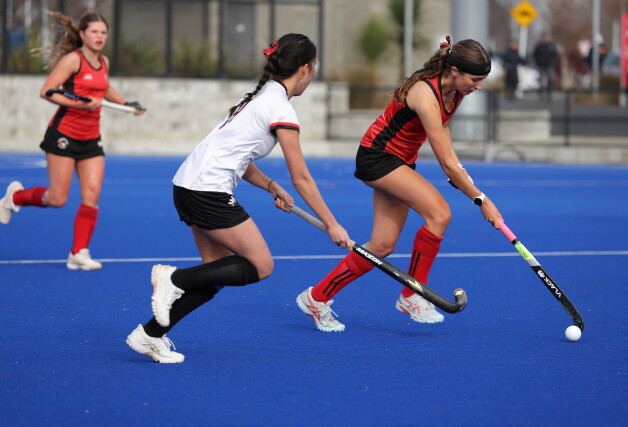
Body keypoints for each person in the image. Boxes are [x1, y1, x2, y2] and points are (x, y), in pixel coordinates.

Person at [125, 34, 351, 363]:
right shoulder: (280, 108)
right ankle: (173, 278)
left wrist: (270, 185)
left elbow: (238, 157)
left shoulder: (259, 96)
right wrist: (332, 224)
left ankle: (150, 334)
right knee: (261, 265)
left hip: (188, 186)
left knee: (217, 273)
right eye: (313, 67)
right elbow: (301, 177)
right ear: (305, 68)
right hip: (207, 191)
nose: (312, 74)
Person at [295, 36, 503, 332]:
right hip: (378, 157)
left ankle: (316, 297)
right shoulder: (425, 94)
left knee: (382, 245)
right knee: (439, 214)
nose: (478, 86)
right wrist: (481, 199)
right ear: (455, 71)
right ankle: (412, 294)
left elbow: (445, 138)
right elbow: (444, 161)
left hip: (400, 161)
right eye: (475, 79)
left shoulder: (456, 93)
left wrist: (460, 173)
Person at [0, 11, 145, 270]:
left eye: (103, 32)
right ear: (82, 34)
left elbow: (103, 88)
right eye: (94, 32)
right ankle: (16, 197)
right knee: (57, 199)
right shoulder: (73, 60)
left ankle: (79, 252)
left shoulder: (103, 61)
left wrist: (126, 104)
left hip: (91, 139)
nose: (99, 37)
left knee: (92, 194)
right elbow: (47, 92)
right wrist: (80, 105)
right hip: (63, 135)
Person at [533, 33, 557, 100]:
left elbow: (554, 55)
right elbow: (535, 55)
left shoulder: (551, 45)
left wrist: (552, 61)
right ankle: (541, 93)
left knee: (551, 79)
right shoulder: (539, 46)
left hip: (549, 65)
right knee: (541, 79)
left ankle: (550, 93)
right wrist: (538, 62)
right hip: (541, 65)